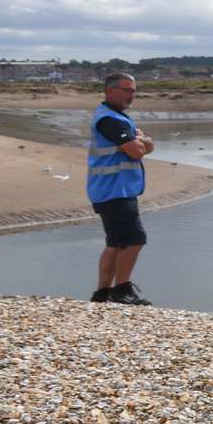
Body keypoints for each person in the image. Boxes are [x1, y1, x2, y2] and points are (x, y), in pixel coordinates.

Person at [87, 74, 154, 305]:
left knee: (115, 243)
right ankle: (121, 290)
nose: (131, 95)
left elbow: (147, 147)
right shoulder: (110, 120)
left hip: (110, 189)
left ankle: (101, 294)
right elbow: (137, 151)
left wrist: (143, 141)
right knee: (134, 239)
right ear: (110, 91)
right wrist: (141, 142)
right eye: (127, 90)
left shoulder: (116, 118)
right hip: (115, 189)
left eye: (134, 91)